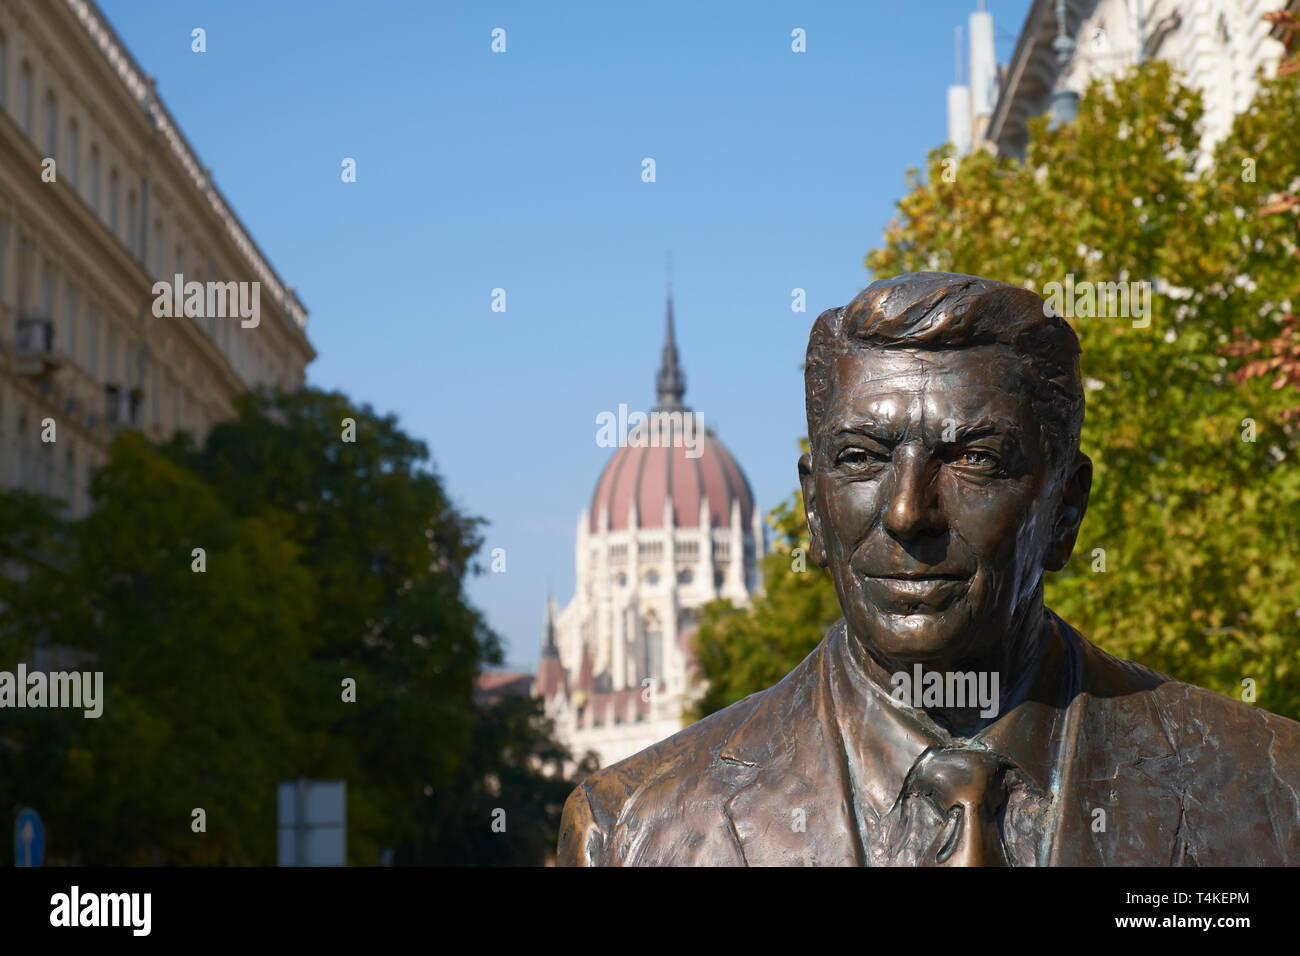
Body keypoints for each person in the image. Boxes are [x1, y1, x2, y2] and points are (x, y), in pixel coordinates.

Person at [557, 272, 1300, 866]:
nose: (909, 513)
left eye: (974, 458)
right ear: (813, 510)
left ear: (1065, 510)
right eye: (862, 460)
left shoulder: (1273, 791)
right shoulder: (632, 832)